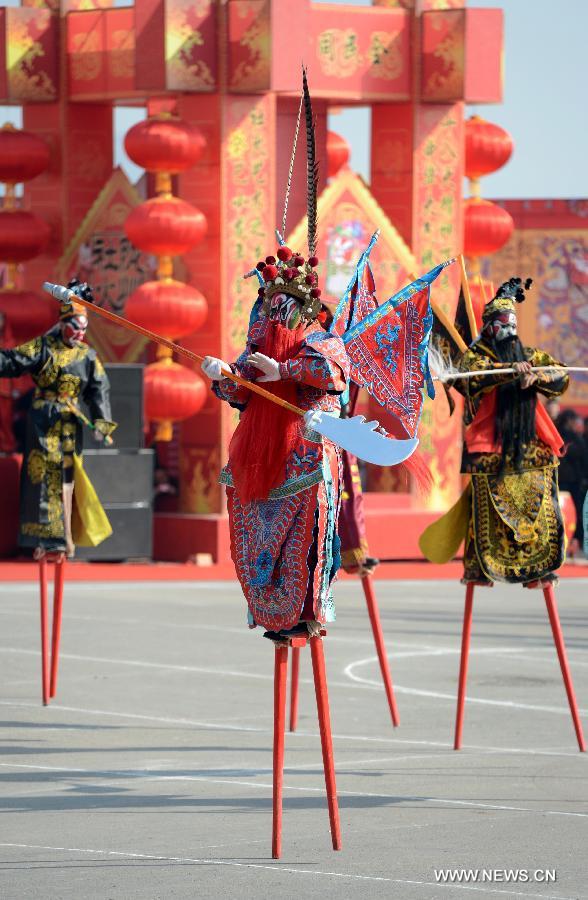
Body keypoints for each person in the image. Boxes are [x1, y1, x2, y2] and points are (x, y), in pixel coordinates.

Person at [202, 245, 349, 643]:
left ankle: (304, 613)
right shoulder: (259, 347)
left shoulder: (323, 341)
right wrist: (223, 374)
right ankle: (270, 614)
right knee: (258, 537)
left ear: (303, 307)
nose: (275, 312)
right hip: (260, 456)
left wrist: (283, 369)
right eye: (271, 305)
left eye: (284, 305)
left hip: (308, 454)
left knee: (307, 539)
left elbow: (334, 374)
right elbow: (240, 390)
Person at [421, 277, 570, 587]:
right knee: (484, 510)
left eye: (512, 323)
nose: (509, 330)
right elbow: (470, 381)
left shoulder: (529, 355)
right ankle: (479, 568)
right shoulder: (477, 361)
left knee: (540, 508)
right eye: (503, 323)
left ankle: (538, 569)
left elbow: (560, 378)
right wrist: (507, 375)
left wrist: (536, 376)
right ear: (490, 327)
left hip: (530, 443)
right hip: (490, 445)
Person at [0, 280, 115, 557]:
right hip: (44, 419)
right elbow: (12, 362)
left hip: (71, 423)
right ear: (63, 322)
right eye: (75, 326)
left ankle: (66, 535)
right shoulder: (43, 347)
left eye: (84, 328)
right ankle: (44, 537)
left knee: (68, 476)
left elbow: (99, 389)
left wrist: (102, 421)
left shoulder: (88, 356)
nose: (79, 333)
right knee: (42, 475)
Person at [556, 408, 587, 554]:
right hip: (573, 483)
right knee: (576, 513)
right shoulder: (575, 439)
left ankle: (559, 542)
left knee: (557, 512)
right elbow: (584, 459)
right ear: (569, 421)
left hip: (558, 482)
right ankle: (574, 541)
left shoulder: (555, 436)